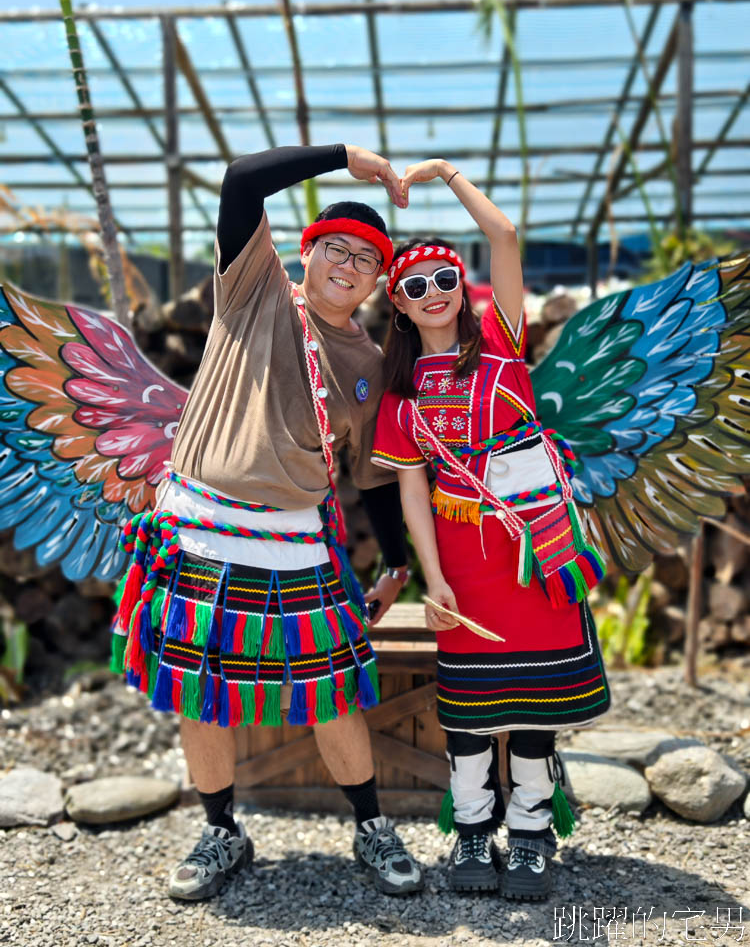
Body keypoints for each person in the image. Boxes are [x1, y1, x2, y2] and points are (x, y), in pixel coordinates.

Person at [113, 144, 424, 900]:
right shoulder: (252, 290)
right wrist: (347, 158)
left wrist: (394, 563)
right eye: (336, 249)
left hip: (295, 546)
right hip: (197, 533)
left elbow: (374, 478)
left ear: (379, 283)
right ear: (306, 253)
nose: (348, 265)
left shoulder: (372, 365)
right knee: (197, 694)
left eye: (367, 260)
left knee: (333, 696)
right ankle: (221, 830)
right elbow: (241, 181)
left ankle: (370, 827)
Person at [371, 158, 611, 901]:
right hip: (464, 570)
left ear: (462, 291)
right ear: (400, 308)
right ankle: (473, 832)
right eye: (415, 288)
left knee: (535, 709)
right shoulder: (401, 394)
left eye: (445, 279)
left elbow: (504, 236)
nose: (433, 294)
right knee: (470, 710)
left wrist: (447, 176)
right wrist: (434, 578)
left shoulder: (503, 351)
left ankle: (533, 834)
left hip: (535, 558)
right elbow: (411, 492)